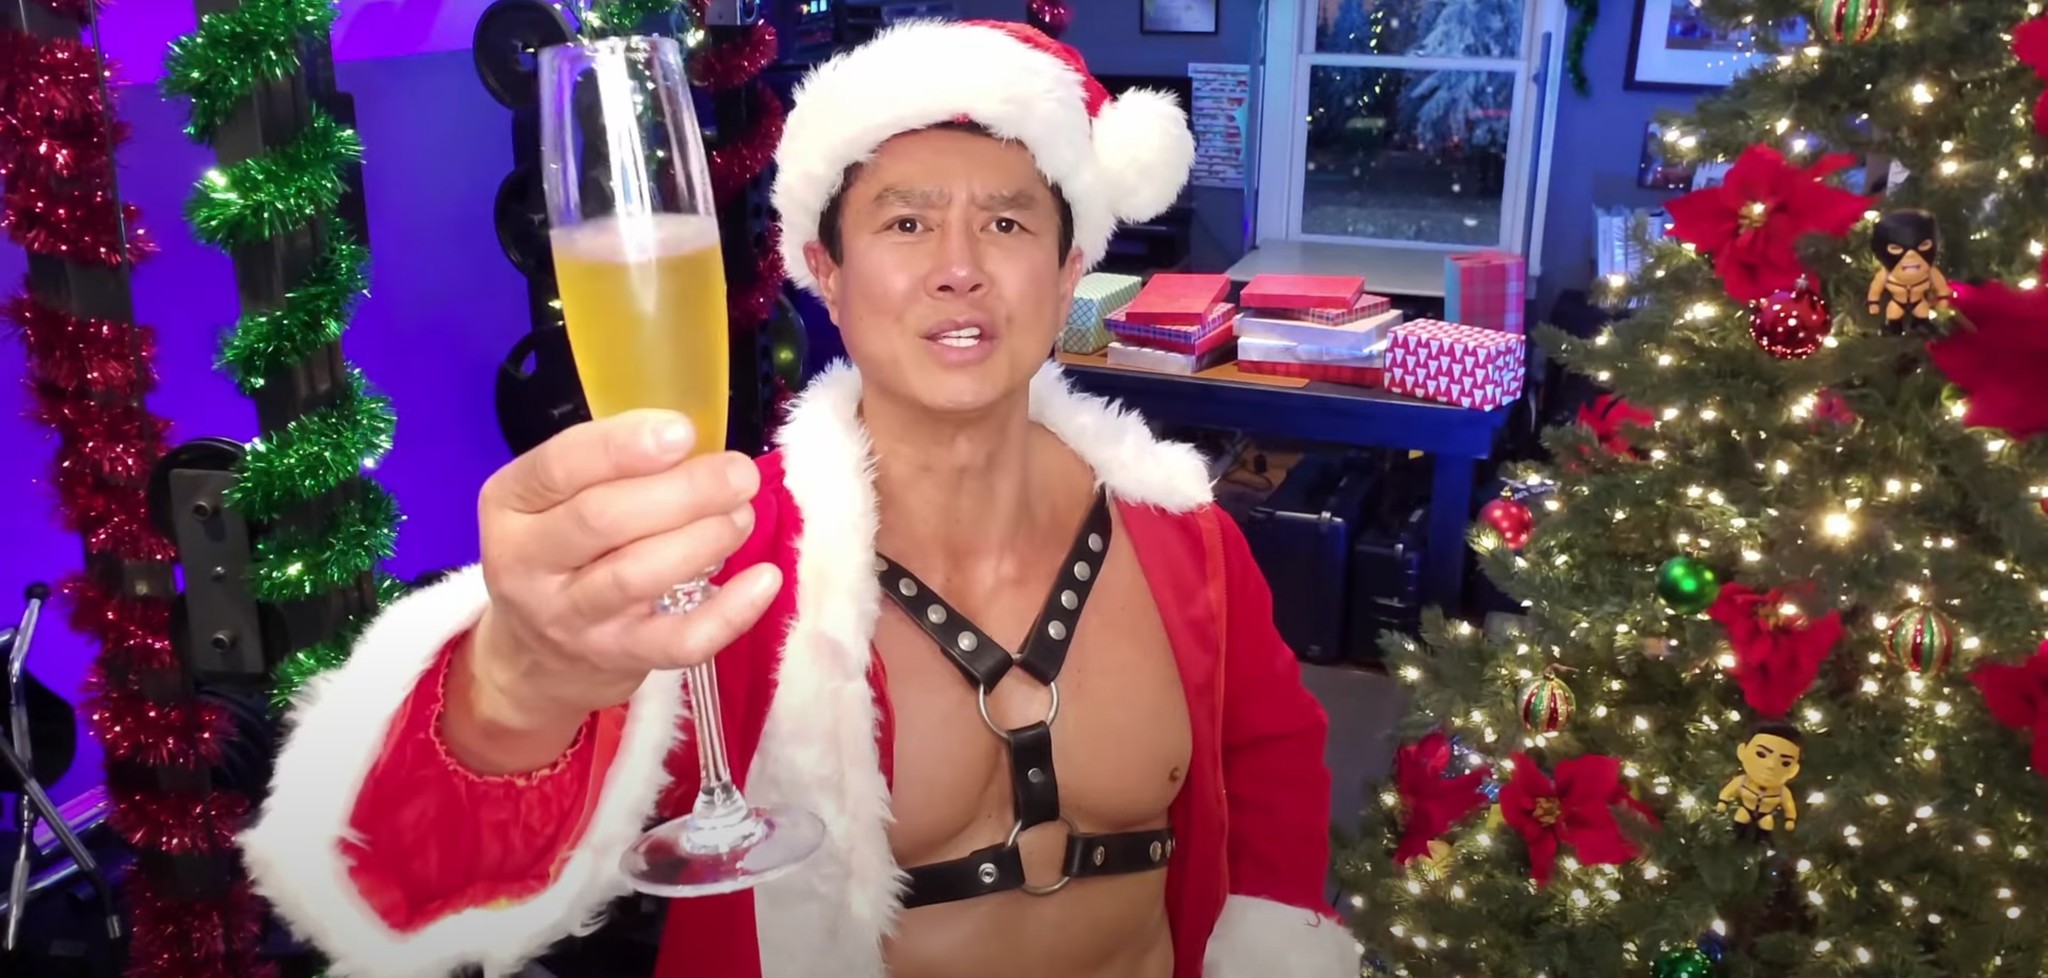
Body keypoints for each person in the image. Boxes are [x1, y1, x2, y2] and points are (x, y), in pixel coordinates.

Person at [238, 19, 1353, 978]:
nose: (959, 266)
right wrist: (516, 686)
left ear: (1069, 273)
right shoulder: (727, 562)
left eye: (1008, 223)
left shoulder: (1186, 543)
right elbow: (409, 883)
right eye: (905, 223)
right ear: (824, 270)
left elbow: (1270, 762)